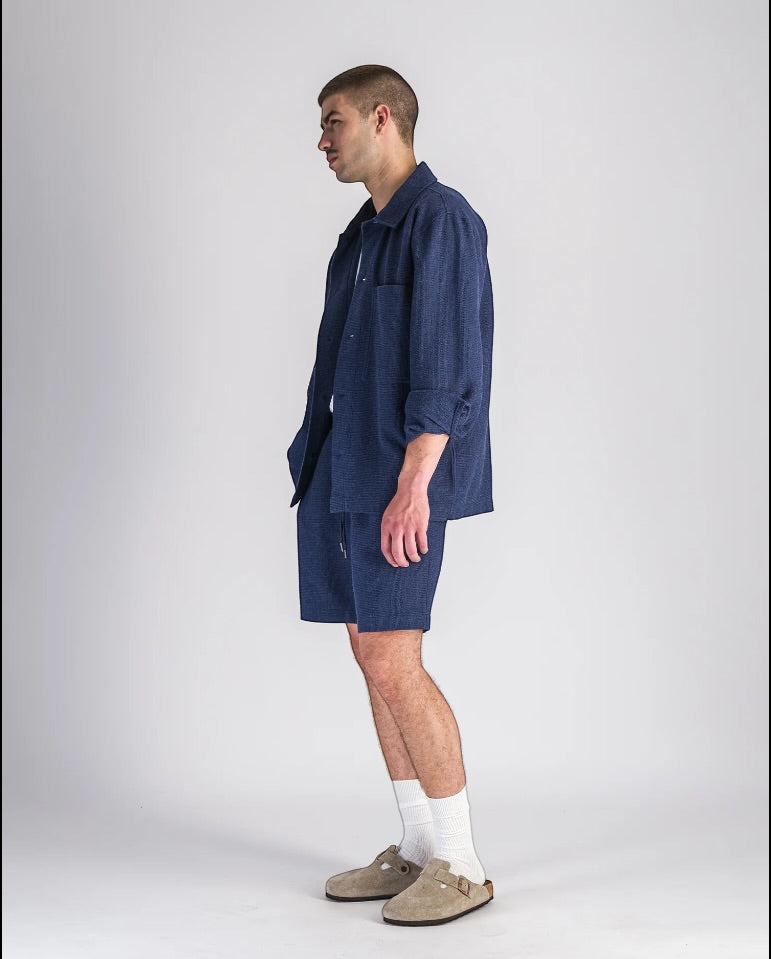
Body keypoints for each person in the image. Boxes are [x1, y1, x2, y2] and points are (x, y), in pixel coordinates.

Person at [286, 64, 494, 926]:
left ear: (382, 118)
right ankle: (415, 844)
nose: (321, 141)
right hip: (341, 468)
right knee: (368, 655)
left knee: (393, 659)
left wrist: (415, 484)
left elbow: (447, 365)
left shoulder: (440, 219)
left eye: (332, 122)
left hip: (395, 477)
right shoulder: (363, 233)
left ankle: (461, 862)